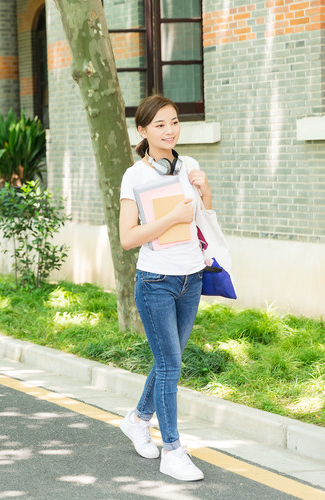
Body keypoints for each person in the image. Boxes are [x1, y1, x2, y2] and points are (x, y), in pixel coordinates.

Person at [118, 94, 211, 482]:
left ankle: (138, 419)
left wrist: (204, 190)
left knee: (167, 362)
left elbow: (203, 217)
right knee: (171, 365)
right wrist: (171, 215)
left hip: (192, 277)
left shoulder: (187, 165)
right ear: (142, 131)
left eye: (174, 122)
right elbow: (128, 237)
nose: (169, 130)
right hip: (155, 282)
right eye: (159, 125)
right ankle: (172, 450)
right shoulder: (135, 176)